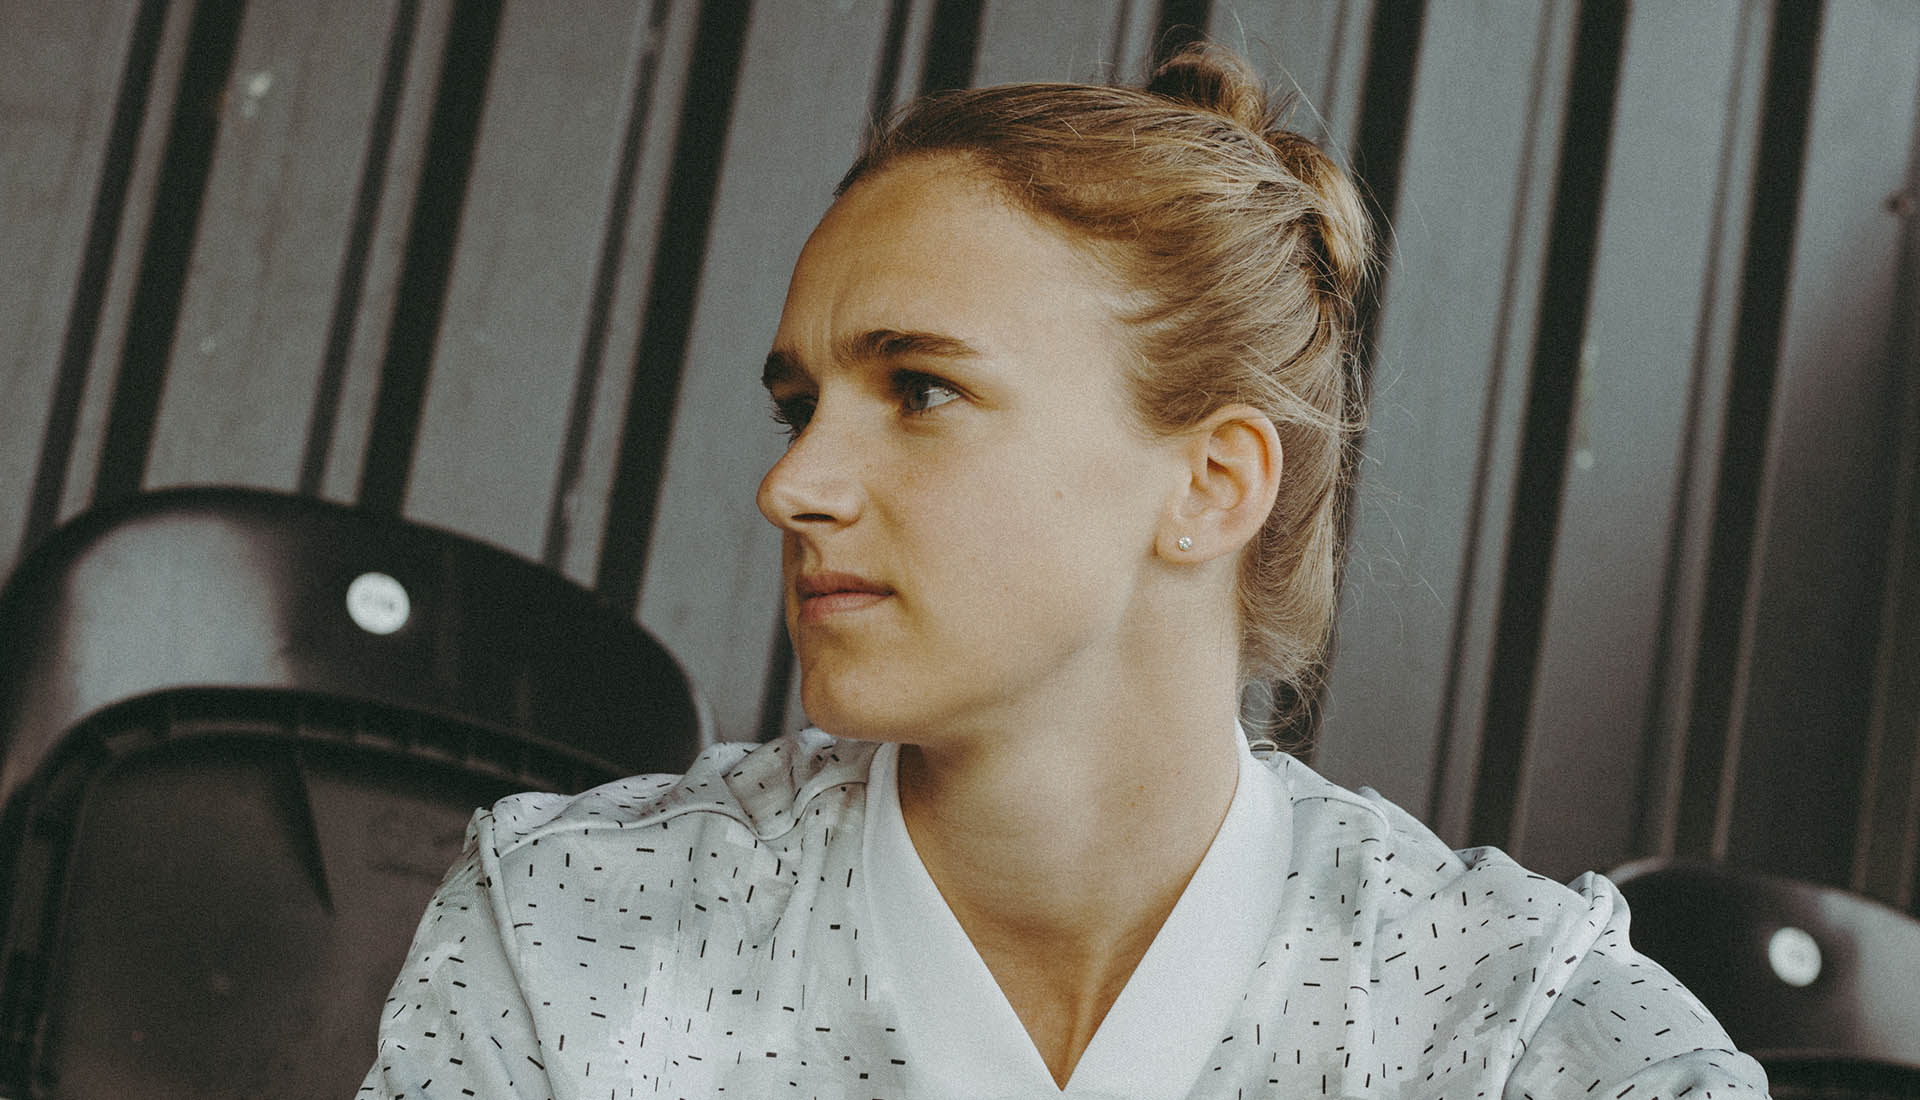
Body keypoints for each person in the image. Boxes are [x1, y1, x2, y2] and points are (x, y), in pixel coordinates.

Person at [360, 45, 1769, 1099]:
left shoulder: (1515, 1026)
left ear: (1211, 484)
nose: (793, 487)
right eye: (799, 409)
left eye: (920, 390)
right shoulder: (575, 929)